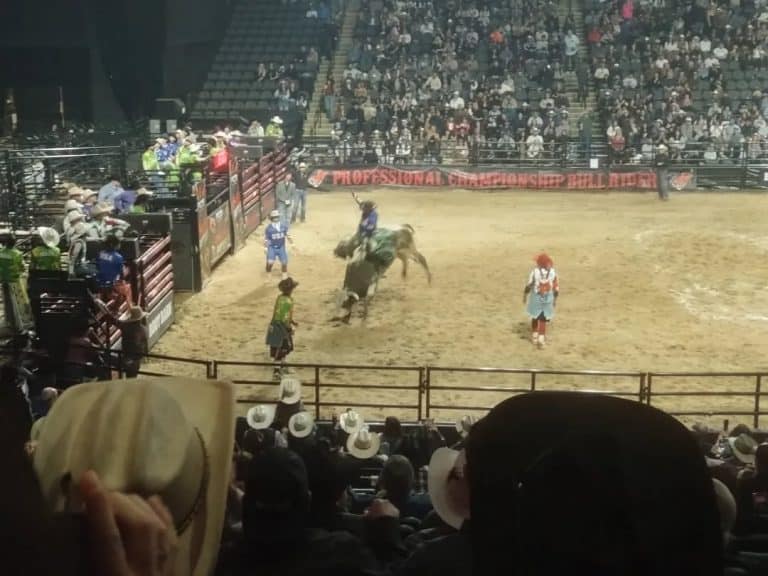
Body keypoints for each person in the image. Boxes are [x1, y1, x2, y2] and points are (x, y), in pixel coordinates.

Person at [95, 300, 148, 378]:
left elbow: (114, 321)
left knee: (104, 356)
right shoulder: (143, 329)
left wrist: (106, 313)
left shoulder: (128, 327)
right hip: (136, 360)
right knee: (131, 379)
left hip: (128, 358)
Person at [523, 253, 559, 348]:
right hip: (548, 297)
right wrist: (555, 299)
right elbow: (556, 287)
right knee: (543, 318)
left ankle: (535, 336)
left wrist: (525, 295)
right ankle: (541, 338)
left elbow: (529, 284)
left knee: (535, 316)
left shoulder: (535, 272)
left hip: (536, 297)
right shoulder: (552, 272)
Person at [266, 277, 298, 380]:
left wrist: (291, 321)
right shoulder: (290, 301)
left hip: (275, 325)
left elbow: (276, 312)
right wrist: (290, 327)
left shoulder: (279, 298)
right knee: (283, 348)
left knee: (278, 348)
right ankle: (277, 372)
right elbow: (287, 316)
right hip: (283, 327)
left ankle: (282, 366)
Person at [0, 231, 31, 334]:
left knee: (7, 302)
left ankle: (9, 321)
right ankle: (18, 325)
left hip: (4, 280)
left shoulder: (1, 252)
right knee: (16, 304)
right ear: (14, 242)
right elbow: (21, 268)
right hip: (14, 281)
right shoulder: (17, 254)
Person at [95, 234, 131, 308]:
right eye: (118, 243)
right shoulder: (118, 257)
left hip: (99, 282)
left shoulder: (100, 253)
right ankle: (117, 309)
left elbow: (98, 266)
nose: (120, 245)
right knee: (128, 288)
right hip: (112, 284)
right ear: (113, 245)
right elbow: (122, 275)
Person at [264, 209, 292, 280]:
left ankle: (284, 276)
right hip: (272, 247)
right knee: (270, 262)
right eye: (274, 217)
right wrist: (266, 247)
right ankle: (268, 273)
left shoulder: (284, 226)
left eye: (277, 217)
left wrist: (292, 243)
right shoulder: (268, 229)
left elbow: (288, 235)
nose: (276, 218)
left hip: (281, 247)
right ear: (271, 218)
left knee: (284, 262)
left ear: (279, 217)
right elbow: (267, 239)